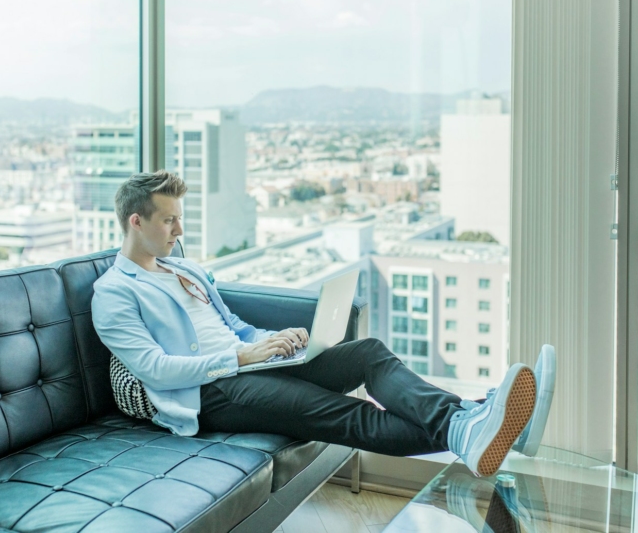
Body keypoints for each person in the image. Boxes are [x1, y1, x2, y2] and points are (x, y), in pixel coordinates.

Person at [92, 171, 555, 478]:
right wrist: (240, 356)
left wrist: (270, 341)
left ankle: (472, 424)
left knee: (369, 353)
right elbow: (155, 369)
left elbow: (230, 322)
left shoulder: (184, 269)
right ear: (136, 221)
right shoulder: (114, 292)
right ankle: (479, 424)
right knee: (341, 412)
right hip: (209, 393)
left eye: (179, 219)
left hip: (251, 365)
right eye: (169, 220)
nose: (178, 230)